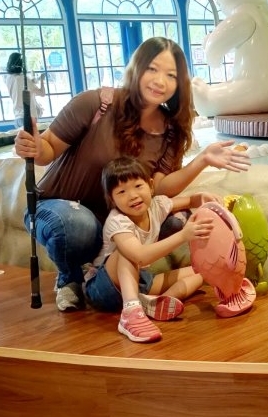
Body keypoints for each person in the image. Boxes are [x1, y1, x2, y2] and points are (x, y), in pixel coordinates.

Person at [14, 36, 251, 312]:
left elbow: (159, 187)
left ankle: (122, 277)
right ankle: (70, 278)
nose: (160, 81)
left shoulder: (169, 130)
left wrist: (203, 160)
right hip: (56, 209)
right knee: (80, 225)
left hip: (111, 222)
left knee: (176, 220)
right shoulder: (96, 104)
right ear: (137, 68)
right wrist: (33, 146)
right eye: (153, 69)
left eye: (171, 75)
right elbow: (48, 149)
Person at [85, 157, 213, 343]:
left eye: (138, 186)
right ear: (112, 200)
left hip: (138, 281)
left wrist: (203, 198)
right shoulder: (118, 221)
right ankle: (131, 312)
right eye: (122, 192)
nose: (133, 195)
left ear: (151, 186)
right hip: (104, 287)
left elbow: (190, 200)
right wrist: (183, 235)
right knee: (127, 252)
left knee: (201, 271)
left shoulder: (157, 205)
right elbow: (140, 257)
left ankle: (153, 304)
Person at [6, 51, 46, 128]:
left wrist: (32, 80)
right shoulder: (23, 79)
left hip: (17, 117)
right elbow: (42, 93)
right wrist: (41, 80)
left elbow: (21, 88)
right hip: (28, 117)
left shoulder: (9, 78)